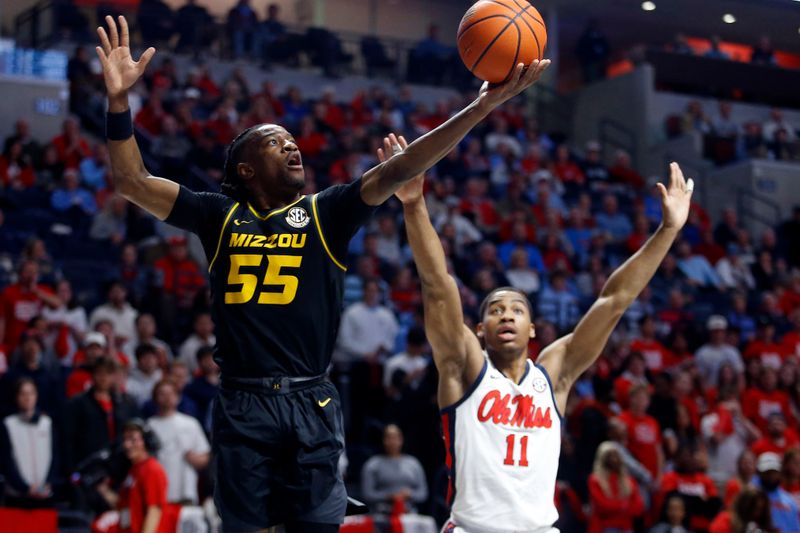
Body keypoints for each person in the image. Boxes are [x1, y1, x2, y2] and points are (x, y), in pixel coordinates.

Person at [94, 14, 549, 532]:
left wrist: (482, 105)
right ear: (244, 169)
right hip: (243, 401)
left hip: (311, 398)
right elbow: (132, 181)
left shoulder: (324, 212)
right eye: (275, 142)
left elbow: (402, 169)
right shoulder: (217, 214)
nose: (293, 146)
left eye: (293, 141)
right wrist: (117, 102)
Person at [393, 109, 694, 533]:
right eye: (495, 309)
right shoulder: (465, 367)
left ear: (533, 328)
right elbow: (437, 284)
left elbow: (614, 300)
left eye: (517, 309)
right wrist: (414, 205)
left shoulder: (554, 374)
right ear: (479, 330)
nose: (506, 314)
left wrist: (667, 230)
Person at [97, 419, 169, 533]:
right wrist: (105, 491)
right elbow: (123, 505)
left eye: (133, 440)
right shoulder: (134, 470)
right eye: (125, 440)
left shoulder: (152, 469)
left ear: (146, 442)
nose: (127, 445)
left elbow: (154, 510)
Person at [147, 379, 210, 504]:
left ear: (178, 397)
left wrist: (196, 460)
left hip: (185, 490)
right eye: (162, 394)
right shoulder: (149, 426)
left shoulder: (190, 423)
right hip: (158, 492)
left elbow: (205, 456)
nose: (167, 397)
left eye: (171, 393)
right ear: (155, 398)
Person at [0, 378, 57, 506]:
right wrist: (24, 487)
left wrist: (48, 483)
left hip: (44, 495)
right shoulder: (8, 424)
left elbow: (55, 457)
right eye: (23, 394)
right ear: (16, 397)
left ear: (36, 396)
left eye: (31, 393)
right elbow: (6, 461)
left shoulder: (47, 423)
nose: (27, 398)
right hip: (16, 496)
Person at [360, 424, 428, 514]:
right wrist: (388, 496)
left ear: (401, 439)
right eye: (389, 437)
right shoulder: (373, 464)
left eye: (395, 437)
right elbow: (367, 494)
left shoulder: (413, 463)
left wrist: (409, 494)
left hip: (409, 513)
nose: (392, 441)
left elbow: (423, 493)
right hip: (382, 513)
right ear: (383, 440)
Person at [587, 441, 645, 533]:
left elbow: (638, 507)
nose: (613, 459)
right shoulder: (595, 480)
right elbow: (602, 507)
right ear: (603, 458)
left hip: (626, 527)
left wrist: (616, 507)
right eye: (609, 456)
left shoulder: (629, 481)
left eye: (616, 455)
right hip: (604, 528)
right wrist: (624, 506)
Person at [754, 452, 800, 533]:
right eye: (767, 472)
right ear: (759, 473)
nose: (771, 476)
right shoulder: (752, 498)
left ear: (780, 473)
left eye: (774, 472)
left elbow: (795, 529)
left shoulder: (789, 501)